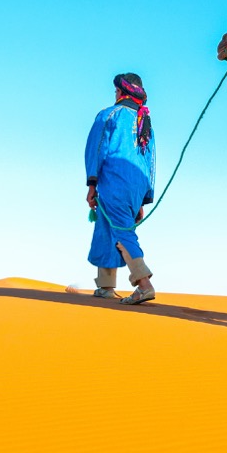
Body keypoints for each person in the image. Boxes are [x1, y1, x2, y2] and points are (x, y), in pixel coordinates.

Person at [83, 72, 157, 305]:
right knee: (106, 227)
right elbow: (150, 160)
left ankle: (144, 284)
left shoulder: (109, 115)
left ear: (122, 91)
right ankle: (105, 286)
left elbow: (96, 149)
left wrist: (92, 183)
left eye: (116, 90)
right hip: (136, 185)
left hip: (113, 180)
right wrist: (144, 198)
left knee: (123, 231)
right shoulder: (144, 122)